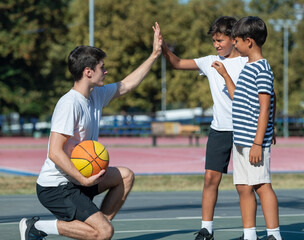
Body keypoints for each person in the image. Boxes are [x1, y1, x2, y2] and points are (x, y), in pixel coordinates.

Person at [19, 22, 162, 240]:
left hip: (79, 179)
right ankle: (37, 227)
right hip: (57, 186)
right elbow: (55, 152)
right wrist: (83, 180)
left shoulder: (96, 95)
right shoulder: (70, 104)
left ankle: (97, 232)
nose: (106, 71)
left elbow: (127, 85)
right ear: (88, 72)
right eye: (102, 67)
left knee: (125, 176)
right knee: (104, 232)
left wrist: (154, 55)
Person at [158, 16, 248, 240]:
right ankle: (206, 229)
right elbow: (177, 63)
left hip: (244, 129)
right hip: (219, 130)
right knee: (210, 179)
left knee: (245, 186)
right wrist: (163, 47)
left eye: (220, 40)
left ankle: (250, 233)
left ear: (234, 39)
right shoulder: (210, 61)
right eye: (214, 41)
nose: (216, 45)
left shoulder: (248, 62)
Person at [212, 16, 281, 240]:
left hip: (253, 141)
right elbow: (238, 98)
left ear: (249, 41)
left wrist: (258, 143)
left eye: (237, 40)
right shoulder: (247, 67)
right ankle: (249, 235)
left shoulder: (261, 68)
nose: (235, 44)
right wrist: (225, 76)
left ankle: (273, 235)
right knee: (243, 187)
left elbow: (265, 107)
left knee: (262, 185)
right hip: (240, 140)